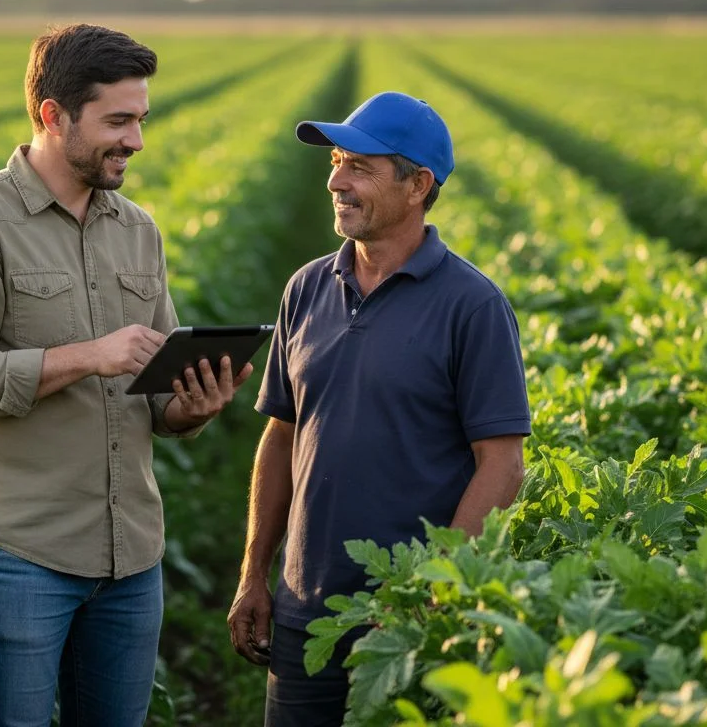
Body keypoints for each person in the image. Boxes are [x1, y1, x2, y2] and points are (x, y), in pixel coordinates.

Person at [0, 24, 252, 727]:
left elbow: (156, 393)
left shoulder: (137, 229)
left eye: (141, 120)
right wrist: (88, 355)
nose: (137, 140)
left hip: (131, 555)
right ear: (53, 115)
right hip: (21, 555)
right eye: (118, 121)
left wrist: (192, 406)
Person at [226, 92, 531, 726]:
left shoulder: (473, 305)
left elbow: (502, 464)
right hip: (304, 612)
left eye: (360, 167)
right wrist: (254, 574)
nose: (336, 182)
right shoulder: (306, 287)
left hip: (410, 622)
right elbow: (282, 436)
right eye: (336, 162)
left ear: (418, 185)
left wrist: (434, 594)